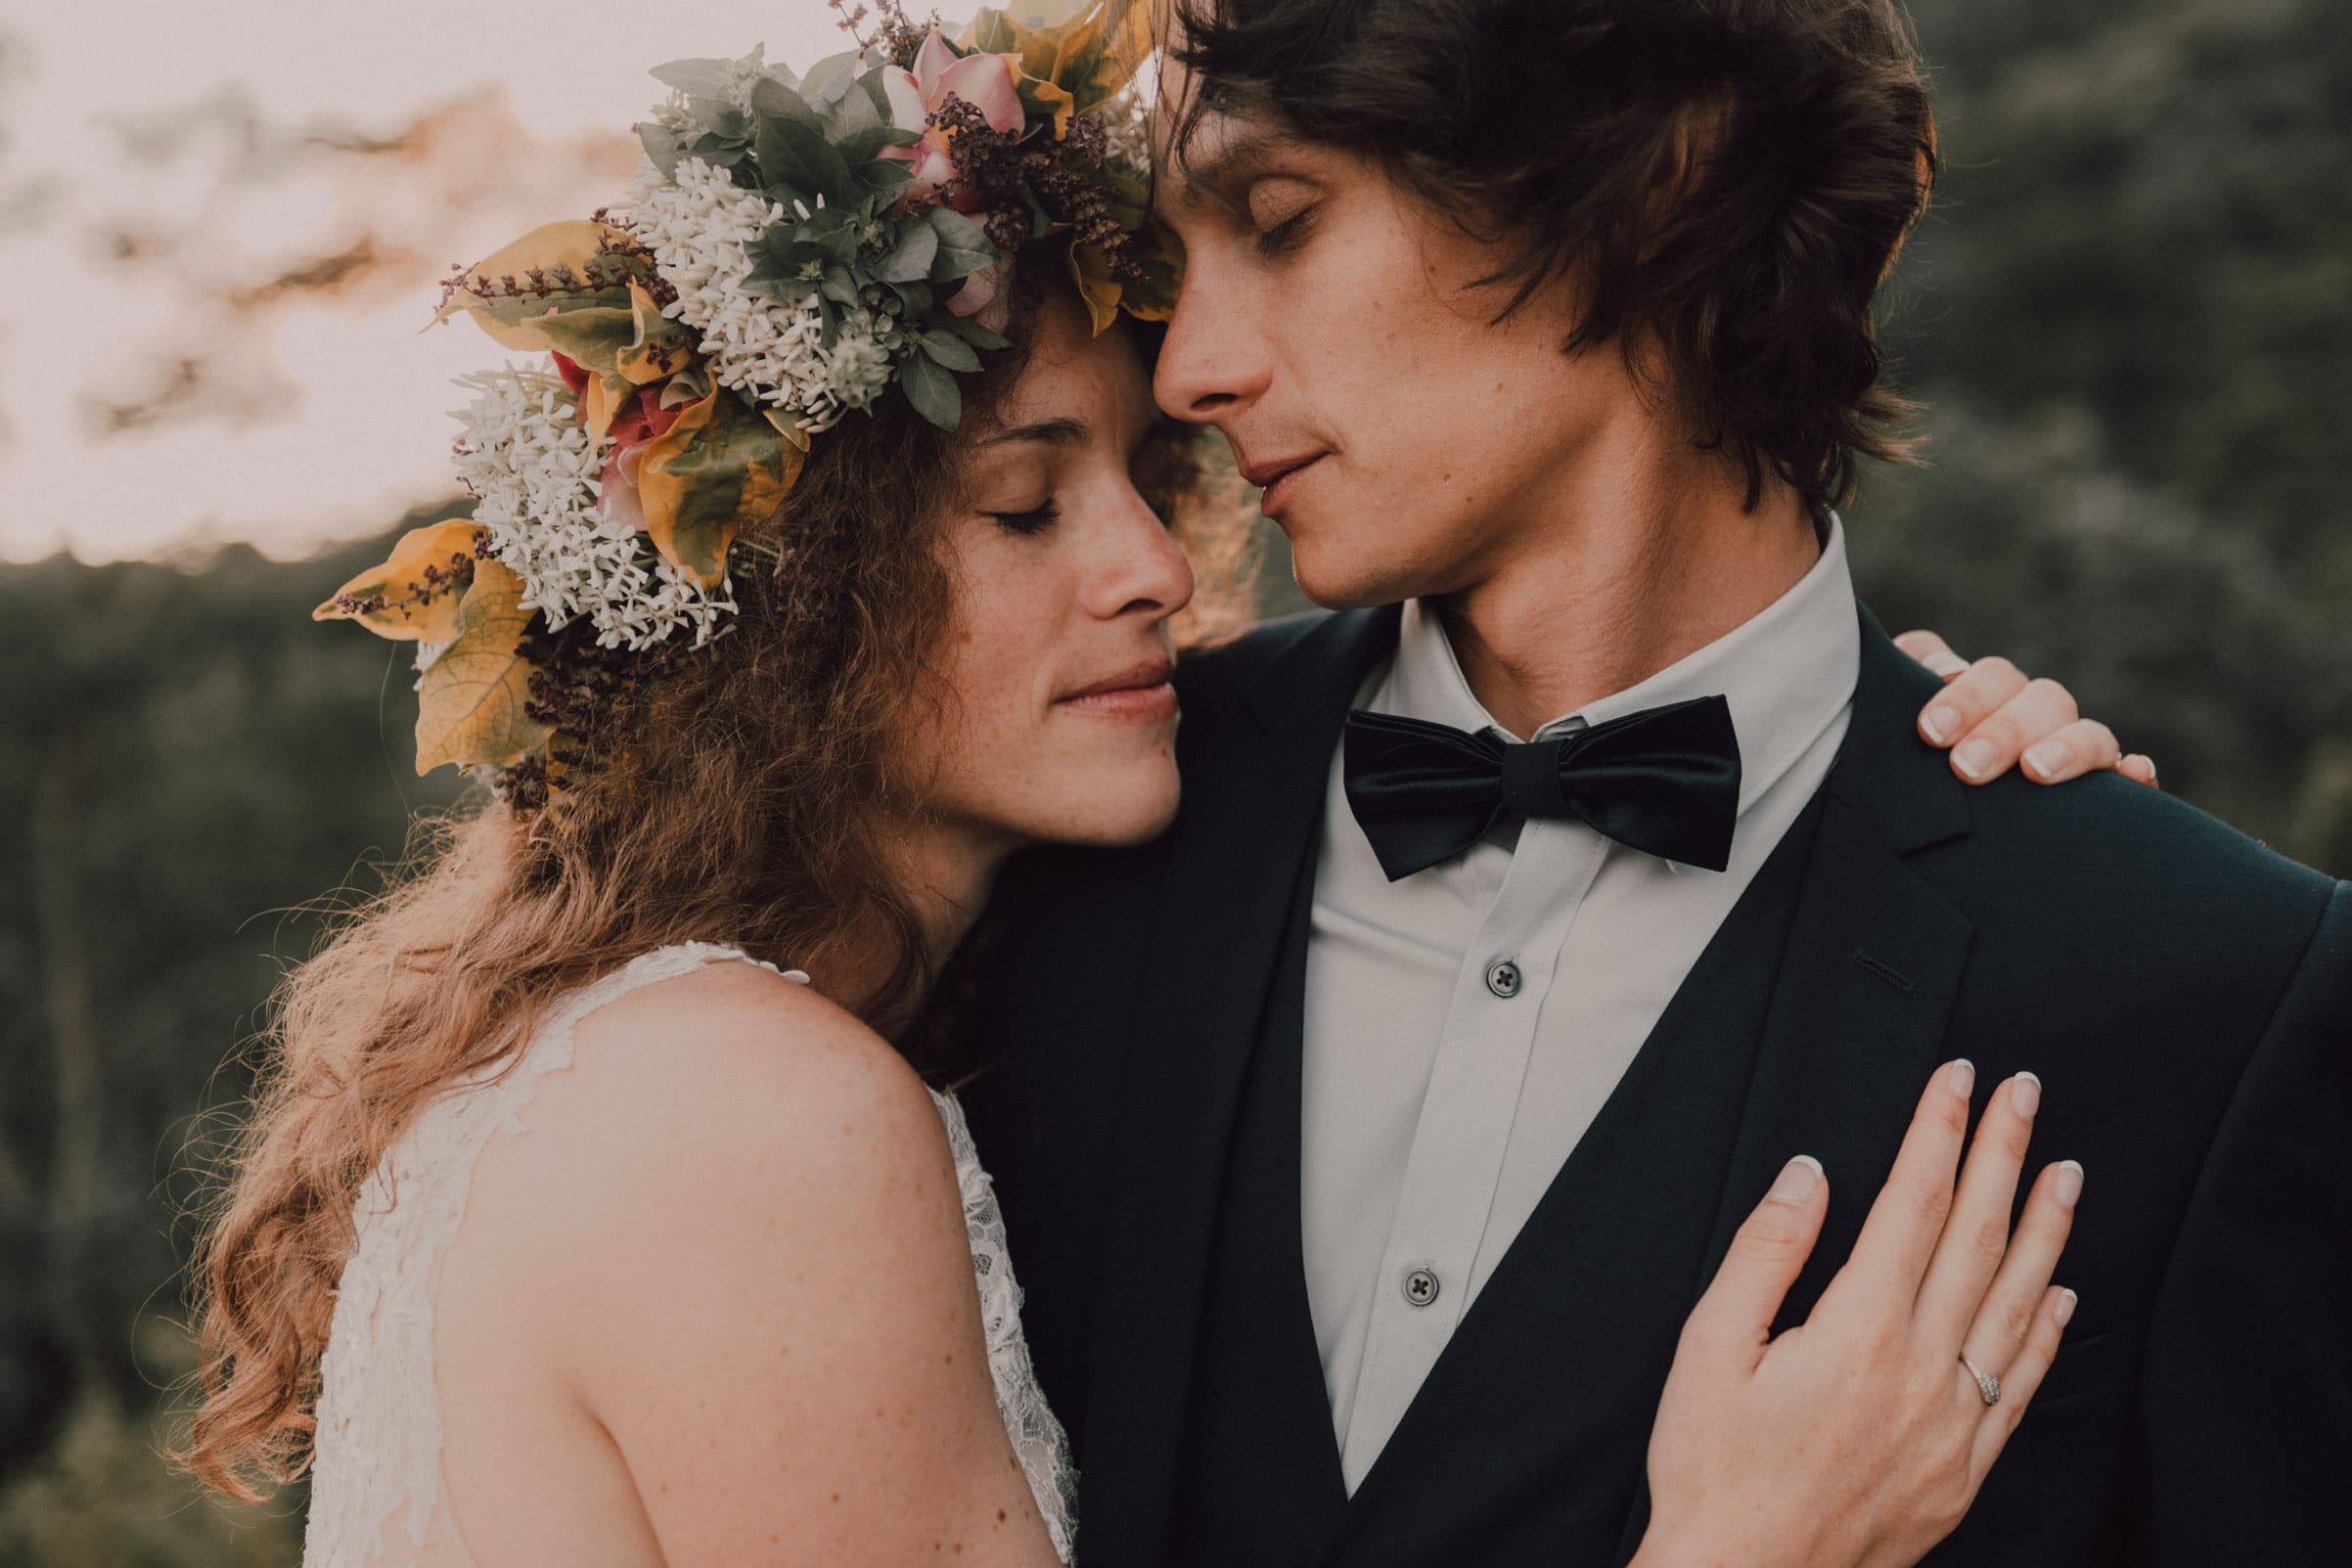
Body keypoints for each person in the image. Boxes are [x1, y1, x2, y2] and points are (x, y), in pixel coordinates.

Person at [178, 7, 2140, 1565]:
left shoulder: (881, 1008)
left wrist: (1950, 796)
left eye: (1146, 485)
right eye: (1024, 502)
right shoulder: (757, 1116)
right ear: (792, 608)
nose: (1144, 566)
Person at [954, 1, 2352, 1564]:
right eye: (1171, 274)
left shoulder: (2203, 992)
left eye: (1279, 222)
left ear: (1662, 171)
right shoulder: (1068, 829)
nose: (1193, 369)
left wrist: (2086, 863)